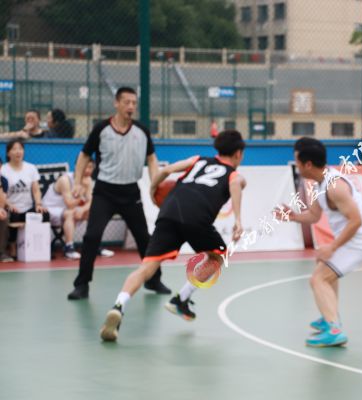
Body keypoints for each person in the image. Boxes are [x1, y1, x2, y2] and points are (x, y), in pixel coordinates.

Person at [100, 130, 246, 342]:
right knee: (219, 255)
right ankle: (181, 299)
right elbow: (235, 184)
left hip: (169, 210)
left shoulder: (197, 160)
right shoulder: (234, 174)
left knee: (146, 267)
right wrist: (238, 220)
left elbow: (167, 170)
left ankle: (119, 305)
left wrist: (152, 189)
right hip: (197, 215)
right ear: (238, 154)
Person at [276, 137, 362, 347]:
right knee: (325, 269)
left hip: (361, 240)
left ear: (308, 164)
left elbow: (356, 220)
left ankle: (334, 329)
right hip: (354, 238)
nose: (296, 165)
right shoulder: (320, 184)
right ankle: (330, 317)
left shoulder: (335, 186)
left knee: (318, 279)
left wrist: (332, 247)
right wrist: (293, 216)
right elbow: (314, 216)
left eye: (297, 161)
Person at [68, 86, 171, 300]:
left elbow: (152, 158)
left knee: (144, 238)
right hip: (105, 191)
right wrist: (77, 182)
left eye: (134, 103)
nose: (131, 106)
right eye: (127, 102)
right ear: (117, 103)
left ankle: (153, 279)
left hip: (131, 192)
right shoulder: (101, 129)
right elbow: (84, 155)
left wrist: (155, 184)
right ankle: (82, 285)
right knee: (92, 236)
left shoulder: (142, 131)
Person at [2, 139, 50, 258]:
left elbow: (36, 190)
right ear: (8, 153)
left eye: (20, 149)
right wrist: (8, 204)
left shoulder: (31, 168)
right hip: (11, 207)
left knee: (44, 214)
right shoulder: (3, 169)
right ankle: (12, 246)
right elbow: (1, 193)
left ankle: (42, 247)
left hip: (27, 209)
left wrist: (38, 204)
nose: (18, 152)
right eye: (14, 149)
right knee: (13, 215)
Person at [42, 159, 95, 259]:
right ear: (77, 167)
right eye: (85, 166)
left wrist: (83, 209)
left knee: (94, 213)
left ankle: (94, 245)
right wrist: (83, 189)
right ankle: (69, 248)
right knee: (70, 213)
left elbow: (91, 201)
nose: (88, 170)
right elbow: (70, 204)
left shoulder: (88, 180)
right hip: (50, 210)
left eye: (90, 167)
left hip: (68, 210)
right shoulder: (65, 180)